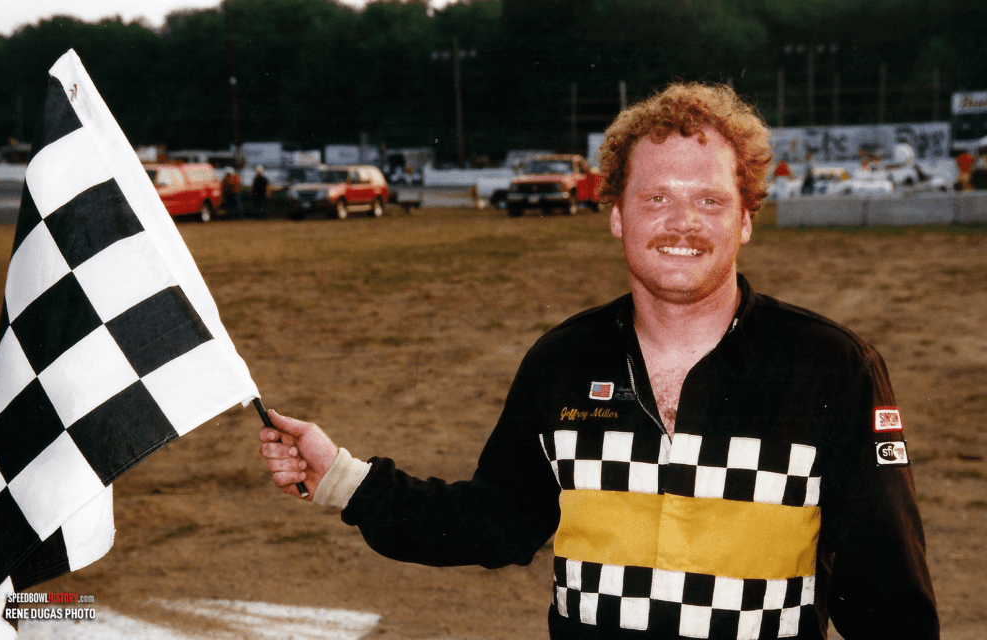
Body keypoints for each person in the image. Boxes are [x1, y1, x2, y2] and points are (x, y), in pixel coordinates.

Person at [259, 82, 938, 640]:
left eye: (710, 199)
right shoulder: (563, 360)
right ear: (616, 214)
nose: (683, 223)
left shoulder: (832, 367)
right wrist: (344, 478)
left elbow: (889, 600)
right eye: (656, 198)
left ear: (747, 219)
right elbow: (495, 521)